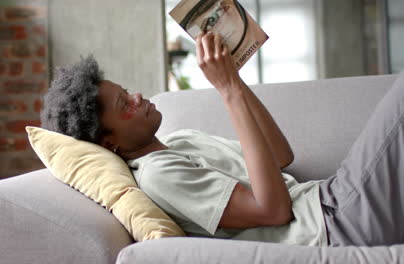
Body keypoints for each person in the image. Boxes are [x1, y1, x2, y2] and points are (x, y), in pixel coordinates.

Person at [40, 32, 404, 247]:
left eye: (128, 91)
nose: (137, 98)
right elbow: (274, 210)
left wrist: (236, 80)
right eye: (125, 105)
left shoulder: (180, 140)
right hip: (333, 224)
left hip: (330, 200)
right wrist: (225, 89)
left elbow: (280, 156)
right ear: (110, 143)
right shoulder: (158, 176)